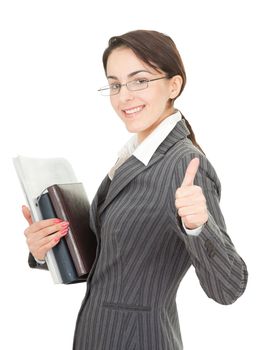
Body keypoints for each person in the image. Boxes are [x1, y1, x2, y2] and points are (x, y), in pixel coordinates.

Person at [22, 29, 248, 350]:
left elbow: (229, 288)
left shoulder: (183, 164)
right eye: (115, 84)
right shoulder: (133, 157)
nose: (123, 96)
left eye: (139, 80)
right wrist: (47, 250)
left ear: (174, 85)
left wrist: (199, 227)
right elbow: (113, 261)